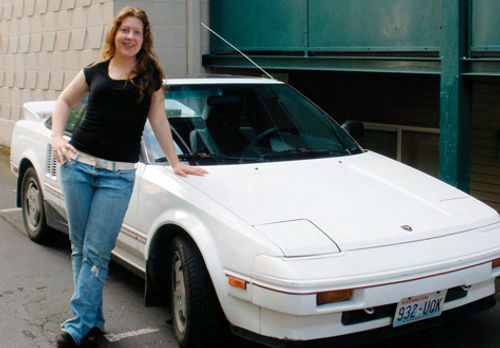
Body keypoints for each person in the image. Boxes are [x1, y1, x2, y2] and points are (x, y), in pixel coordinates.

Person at [50, 6, 207, 347]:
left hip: (117, 177)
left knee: (96, 251)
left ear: (144, 37)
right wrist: (56, 136)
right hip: (77, 165)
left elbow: (159, 122)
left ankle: (76, 326)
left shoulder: (150, 75)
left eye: (137, 32)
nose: (130, 37)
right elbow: (63, 101)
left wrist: (175, 162)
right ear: (115, 33)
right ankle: (91, 325)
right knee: (81, 249)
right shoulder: (95, 70)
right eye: (125, 30)